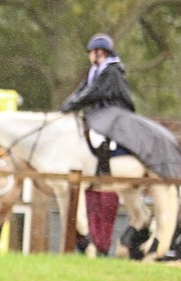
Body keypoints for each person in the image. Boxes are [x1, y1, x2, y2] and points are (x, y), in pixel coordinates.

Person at [60, 33, 134, 254]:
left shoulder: (112, 71)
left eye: (92, 52)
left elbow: (95, 93)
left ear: (100, 53)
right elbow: (82, 90)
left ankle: (103, 169)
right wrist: (67, 105)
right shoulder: (95, 70)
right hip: (100, 113)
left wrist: (73, 104)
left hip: (115, 114)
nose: (90, 56)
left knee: (97, 137)